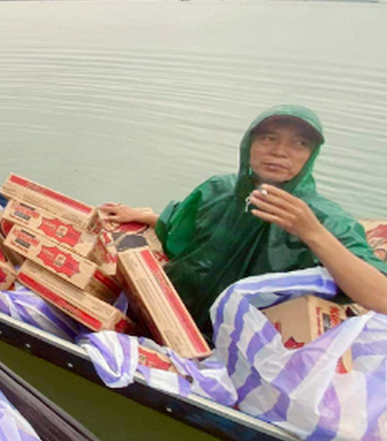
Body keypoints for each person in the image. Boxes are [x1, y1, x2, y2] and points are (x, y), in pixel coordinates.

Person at [101, 105, 387, 334]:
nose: (279, 151)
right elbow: (179, 232)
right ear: (248, 144)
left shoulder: (328, 220)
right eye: (268, 138)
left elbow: (380, 297)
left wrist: (312, 232)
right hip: (168, 317)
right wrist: (148, 216)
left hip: (241, 349)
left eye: (299, 143)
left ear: (311, 155)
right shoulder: (216, 190)